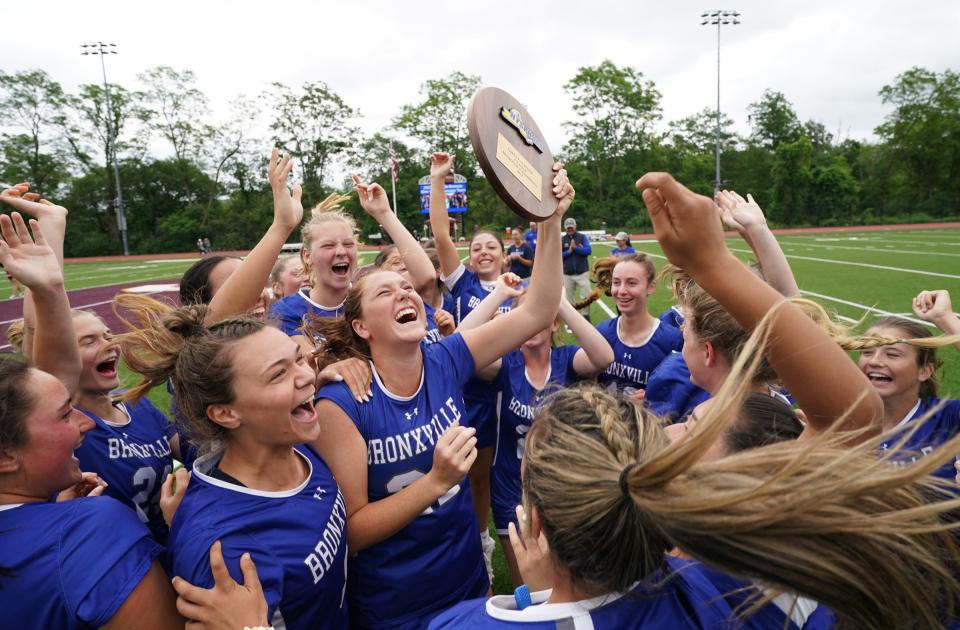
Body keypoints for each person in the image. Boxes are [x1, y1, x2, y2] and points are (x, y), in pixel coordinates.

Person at [431, 171, 960, 630]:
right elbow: (853, 419)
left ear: (537, 522)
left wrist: (537, 597)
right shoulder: (736, 594)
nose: (682, 426)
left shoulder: (461, 623)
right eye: (681, 430)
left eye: (686, 429)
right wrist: (714, 262)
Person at [307, 163, 574, 629]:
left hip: (468, 580)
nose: (404, 293)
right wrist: (435, 482)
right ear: (362, 327)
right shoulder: (343, 403)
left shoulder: (447, 357)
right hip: (395, 606)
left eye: (406, 287)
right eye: (385, 292)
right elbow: (352, 531)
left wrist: (548, 222)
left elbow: (537, 310)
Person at [116, 153, 349, 629]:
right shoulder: (221, 547)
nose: (306, 376)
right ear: (224, 413)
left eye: (298, 363)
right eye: (279, 374)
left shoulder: (298, 447)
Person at [0, 212, 183, 629]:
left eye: (106, 334)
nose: (83, 425)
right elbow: (47, 359)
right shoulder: (91, 527)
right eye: (66, 414)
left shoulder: (138, 407)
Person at [459, 279, 613, 587]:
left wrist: (559, 303)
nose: (532, 323)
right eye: (525, 315)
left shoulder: (566, 359)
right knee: (528, 589)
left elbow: (604, 357)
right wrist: (501, 295)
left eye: (540, 315)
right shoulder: (504, 365)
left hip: (562, 486)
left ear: (553, 322)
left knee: (569, 581)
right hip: (510, 490)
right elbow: (462, 342)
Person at [855, 289, 960, 479]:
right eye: (867, 351)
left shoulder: (947, 418)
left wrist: (945, 318)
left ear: (924, 371)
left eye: (892, 354)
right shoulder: (840, 422)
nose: (874, 361)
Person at [576, 253, 682, 403]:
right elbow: (588, 388)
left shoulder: (673, 340)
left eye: (632, 283)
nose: (622, 291)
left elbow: (680, 398)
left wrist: (652, 399)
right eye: (616, 282)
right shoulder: (601, 333)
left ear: (650, 287)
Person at [268, 191, 356, 349]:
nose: (341, 252)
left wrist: (384, 214)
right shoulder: (287, 310)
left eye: (348, 244)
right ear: (307, 256)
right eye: (328, 245)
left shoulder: (369, 298)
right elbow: (314, 364)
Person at [561, 217, 592, 321]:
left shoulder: (582, 237)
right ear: (565, 228)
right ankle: (572, 319)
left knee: (587, 296)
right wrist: (568, 252)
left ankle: (586, 315)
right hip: (567, 274)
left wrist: (576, 249)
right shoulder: (562, 239)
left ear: (575, 226)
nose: (570, 229)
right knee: (569, 299)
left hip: (582, 272)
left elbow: (588, 250)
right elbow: (557, 256)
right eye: (568, 227)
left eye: (571, 227)